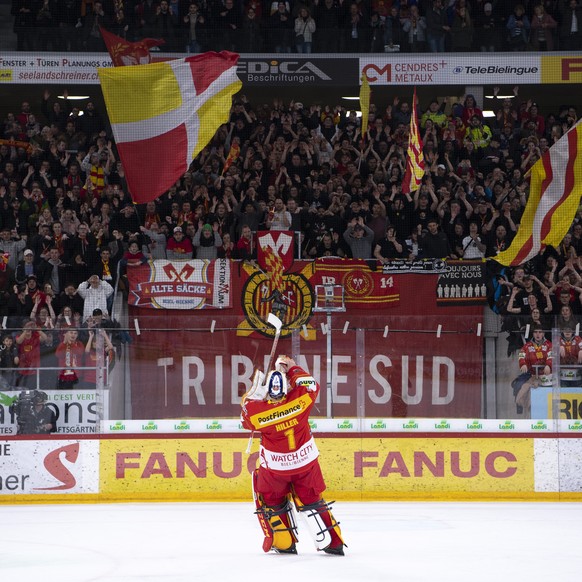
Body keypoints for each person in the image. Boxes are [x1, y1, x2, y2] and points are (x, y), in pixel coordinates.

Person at [241, 354, 345, 555]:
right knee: (312, 499)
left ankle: (284, 542)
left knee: (272, 500)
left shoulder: (258, 412)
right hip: (305, 464)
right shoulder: (301, 399)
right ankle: (333, 542)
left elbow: (245, 414)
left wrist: (257, 393)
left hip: (275, 469)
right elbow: (312, 384)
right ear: (287, 388)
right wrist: (292, 368)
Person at [513, 326, 552, 415]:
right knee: (518, 385)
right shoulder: (527, 345)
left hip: (547, 376)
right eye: (535, 332)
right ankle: (522, 407)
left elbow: (551, 355)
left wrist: (548, 365)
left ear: (543, 334)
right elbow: (521, 355)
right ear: (533, 334)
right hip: (532, 375)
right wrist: (522, 363)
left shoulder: (549, 344)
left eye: (540, 332)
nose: (538, 334)